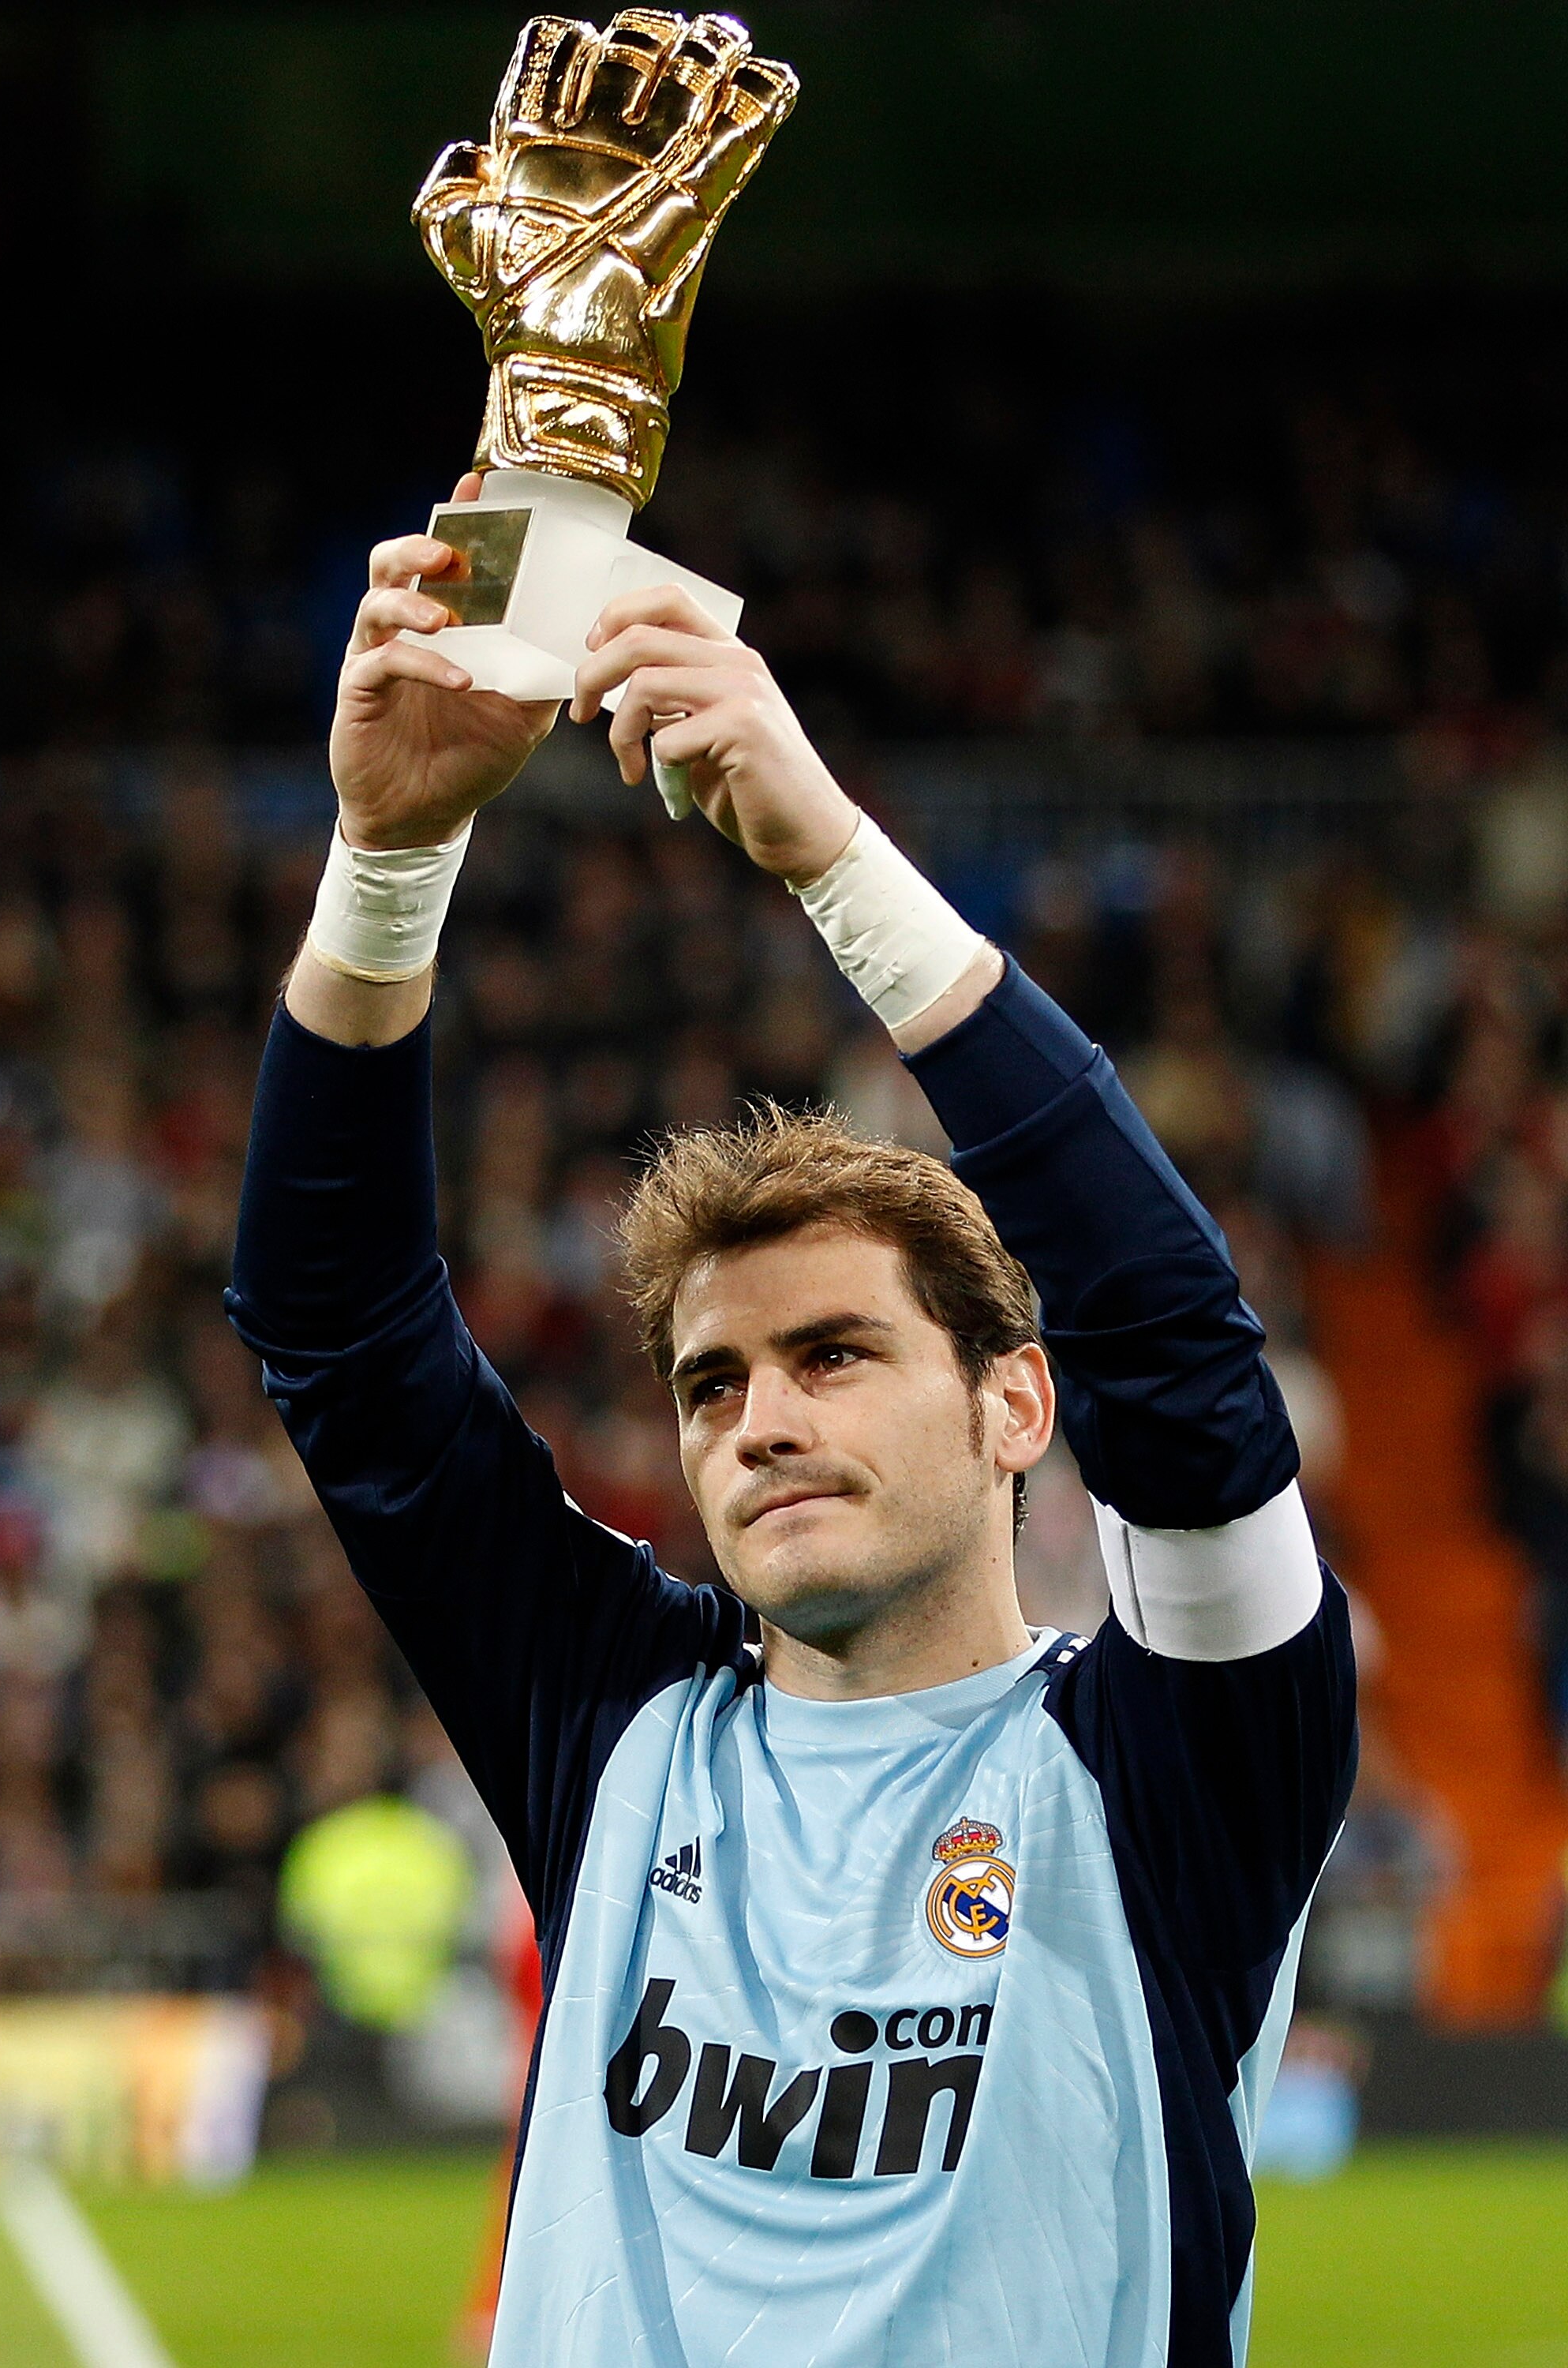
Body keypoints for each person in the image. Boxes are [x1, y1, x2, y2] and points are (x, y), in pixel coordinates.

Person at [228, 472, 1357, 2368]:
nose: (755, 1418)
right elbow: (338, 1341)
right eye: (711, 1381)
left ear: (1012, 1405)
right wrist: (389, 855)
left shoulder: (1181, 1766)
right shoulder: (608, 1728)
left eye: (834, 1354)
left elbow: (1181, 1361)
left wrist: (829, 851)